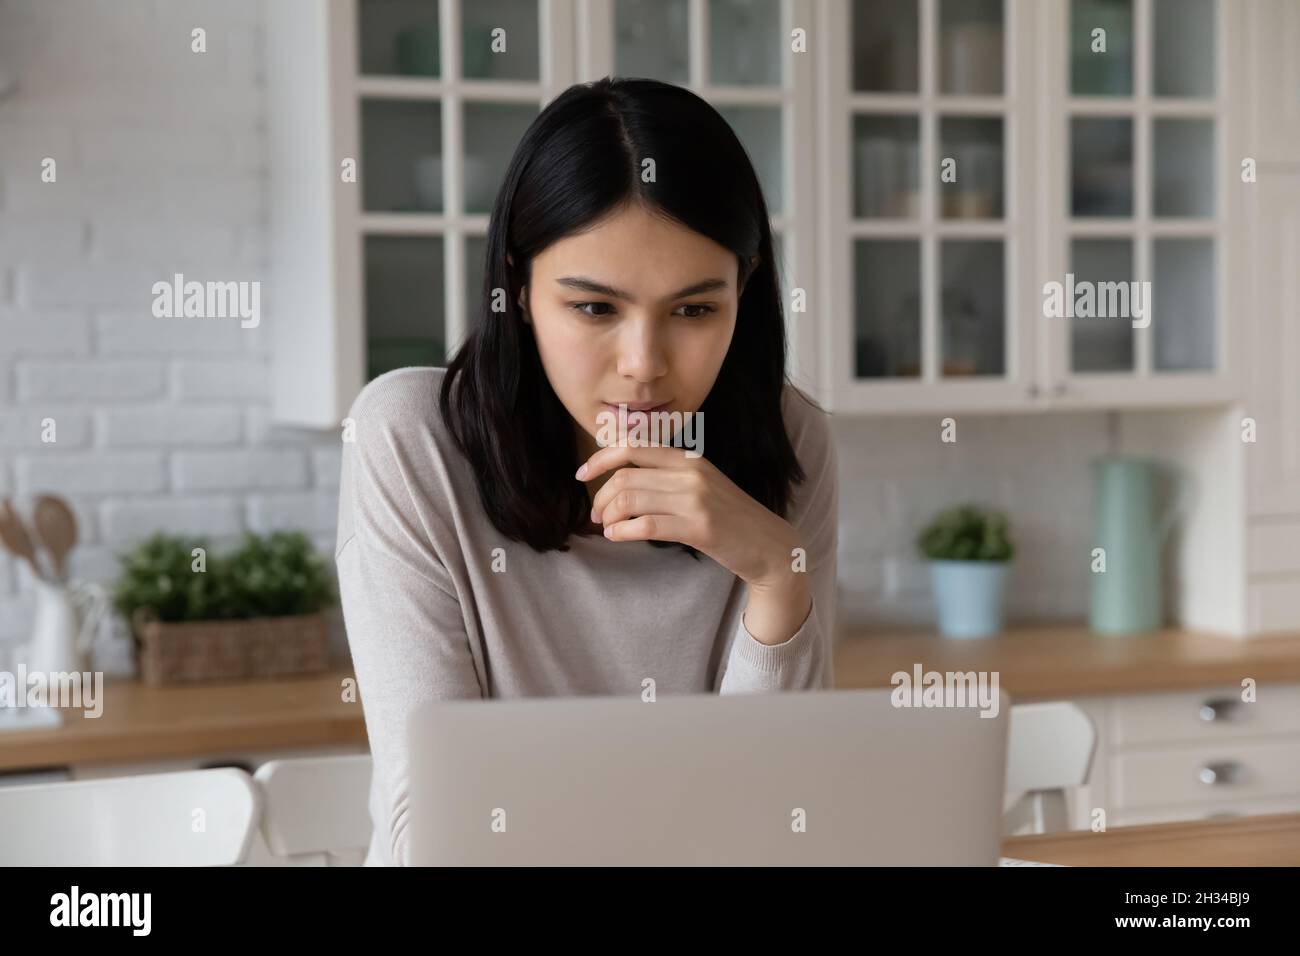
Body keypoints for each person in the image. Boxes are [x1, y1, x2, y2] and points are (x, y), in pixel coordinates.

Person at [335, 76, 839, 866]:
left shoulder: (792, 442)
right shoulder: (410, 441)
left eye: (695, 310)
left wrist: (778, 572)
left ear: (744, 292)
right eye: (596, 309)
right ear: (519, 290)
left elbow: (776, 827)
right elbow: (430, 838)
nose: (644, 367)